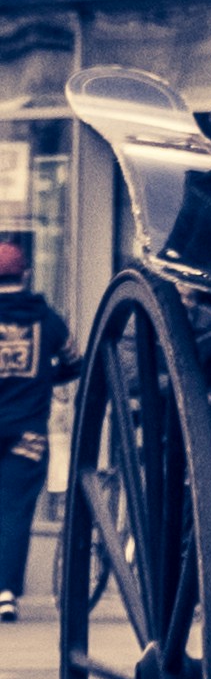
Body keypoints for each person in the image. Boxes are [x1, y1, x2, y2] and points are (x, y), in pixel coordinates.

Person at [0, 240, 73, 625]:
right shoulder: (45, 317)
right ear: (25, 273)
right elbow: (74, 361)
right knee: (13, 511)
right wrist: (46, 377)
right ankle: (6, 593)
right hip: (27, 431)